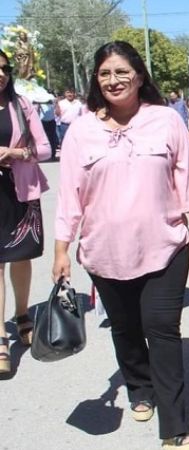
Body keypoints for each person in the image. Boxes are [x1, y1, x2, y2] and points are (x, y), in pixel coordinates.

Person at [52, 41, 189, 450]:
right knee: (125, 328)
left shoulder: (165, 120)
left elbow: (187, 177)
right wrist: (61, 250)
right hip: (104, 252)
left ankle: (175, 428)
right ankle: (140, 387)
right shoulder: (82, 130)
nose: (113, 79)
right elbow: (69, 195)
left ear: (139, 76)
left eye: (122, 71)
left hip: (165, 247)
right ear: (95, 80)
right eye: (105, 73)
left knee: (162, 330)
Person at [0, 49, 51, 374]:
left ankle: (22, 315)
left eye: (4, 68)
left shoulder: (22, 106)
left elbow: (45, 148)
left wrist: (15, 152)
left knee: (20, 256)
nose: (0, 74)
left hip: (18, 193)